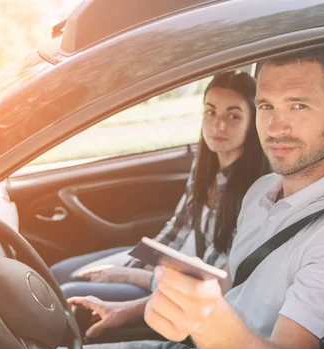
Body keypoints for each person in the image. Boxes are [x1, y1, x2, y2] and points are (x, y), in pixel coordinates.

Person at [0, 44, 324, 349]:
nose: (276, 127)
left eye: (298, 106)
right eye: (267, 106)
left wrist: (207, 323)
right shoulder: (263, 190)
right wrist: (129, 311)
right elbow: (231, 285)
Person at [50, 71, 268, 306]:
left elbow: (213, 279)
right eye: (210, 111)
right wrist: (137, 261)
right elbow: (177, 228)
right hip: (170, 265)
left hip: (184, 288)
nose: (218, 125)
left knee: (68, 292)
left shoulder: (256, 190)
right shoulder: (205, 166)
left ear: (252, 123)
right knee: (58, 272)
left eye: (233, 116)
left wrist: (133, 275)